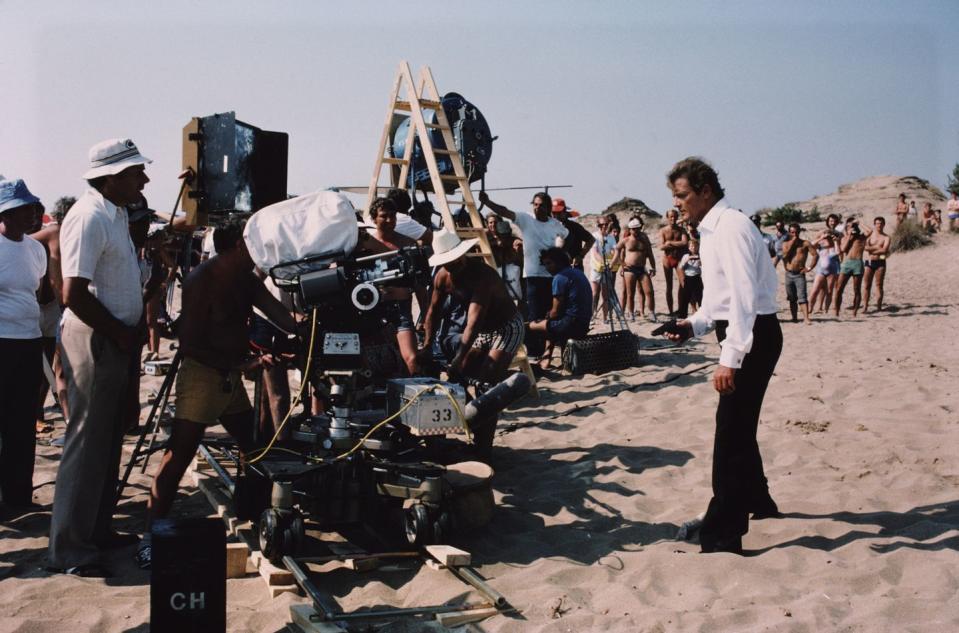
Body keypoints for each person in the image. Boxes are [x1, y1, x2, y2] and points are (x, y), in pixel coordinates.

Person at [138, 219, 297, 569]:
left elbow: (282, 316)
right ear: (237, 245)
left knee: (254, 447)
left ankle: (254, 514)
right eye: (251, 242)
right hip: (203, 376)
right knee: (179, 454)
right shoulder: (202, 280)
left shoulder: (246, 278)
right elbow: (191, 345)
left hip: (230, 376)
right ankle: (149, 537)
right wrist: (241, 365)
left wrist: (311, 319)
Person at [661, 157, 781, 555]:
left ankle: (724, 532)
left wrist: (731, 357)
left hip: (752, 336)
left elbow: (746, 300)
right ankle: (758, 501)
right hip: (744, 332)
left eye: (682, 196)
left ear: (705, 191)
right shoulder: (711, 229)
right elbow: (719, 301)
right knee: (739, 426)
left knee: (730, 431)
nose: (677, 204)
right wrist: (691, 325)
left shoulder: (731, 228)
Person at [47, 139, 151, 577]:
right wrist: (120, 334)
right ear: (110, 178)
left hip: (115, 337)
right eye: (135, 173)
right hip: (96, 337)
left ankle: (96, 530)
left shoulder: (116, 214)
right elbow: (74, 295)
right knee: (87, 440)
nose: (144, 179)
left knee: (107, 441)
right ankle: (70, 547)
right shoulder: (89, 217)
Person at [419, 228, 523, 384]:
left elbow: (474, 322)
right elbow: (434, 312)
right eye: (450, 263)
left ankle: (510, 379)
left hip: (506, 327)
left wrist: (459, 357)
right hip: (482, 331)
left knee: (487, 378)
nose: (456, 264)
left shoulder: (482, 276)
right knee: (460, 375)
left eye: (458, 259)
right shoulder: (442, 277)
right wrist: (427, 346)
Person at [0, 179, 47, 515]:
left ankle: (18, 496)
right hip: (1, 344)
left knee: (22, 422)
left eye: (33, 206)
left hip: (29, 343)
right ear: (7, 213)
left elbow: (38, 292)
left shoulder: (35, 249)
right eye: (25, 208)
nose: (33, 213)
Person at [479, 191, 567, 358]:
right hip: (532, 275)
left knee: (553, 314)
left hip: (551, 276)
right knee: (534, 315)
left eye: (541, 205)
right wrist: (488, 202)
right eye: (535, 204)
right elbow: (505, 212)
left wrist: (557, 249)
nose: (537, 208)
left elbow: (564, 236)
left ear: (548, 207)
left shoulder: (554, 224)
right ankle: (535, 353)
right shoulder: (526, 219)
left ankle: (549, 352)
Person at [363, 197, 421, 375]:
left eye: (393, 216)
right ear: (374, 219)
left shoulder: (408, 244)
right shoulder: (366, 245)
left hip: (401, 310)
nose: (390, 221)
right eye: (384, 216)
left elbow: (419, 283)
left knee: (411, 358)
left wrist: (425, 313)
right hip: (374, 310)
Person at [529, 247, 592, 369]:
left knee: (531, 326)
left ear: (559, 261)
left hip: (572, 324)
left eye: (549, 263)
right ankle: (547, 358)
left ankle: (545, 358)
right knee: (551, 323)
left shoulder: (559, 278)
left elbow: (555, 312)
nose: (547, 267)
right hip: (583, 322)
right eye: (545, 264)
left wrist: (545, 318)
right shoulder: (577, 272)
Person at [614, 218, 657, 320]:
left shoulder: (644, 238)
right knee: (630, 293)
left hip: (642, 268)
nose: (636, 231)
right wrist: (622, 263)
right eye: (633, 229)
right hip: (630, 269)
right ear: (630, 229)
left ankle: (651, 313)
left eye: (637, 228)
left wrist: (653, 267)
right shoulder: (626, 240)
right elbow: (616, 249)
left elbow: (650, 253)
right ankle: (631, 314)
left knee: (649, 291)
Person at [780, 223, 818, 324]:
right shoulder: (785, 244)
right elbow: (784, 256)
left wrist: (809, 268)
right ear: (789, 232)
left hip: (799, 273)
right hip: (789, 274)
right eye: (792, 232)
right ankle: (794, 317)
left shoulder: (805, 243)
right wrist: (792, 243)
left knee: (802, 296)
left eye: (796, 232)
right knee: (792, 297)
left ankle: (806, 318)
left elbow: (815, 255)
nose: (795, 234)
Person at [832, 219, 868, 318]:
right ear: (846, 229)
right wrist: (849, 236)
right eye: (849, 227)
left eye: (853, 227)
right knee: (839, 288)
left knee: (857, 289)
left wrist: (859, 222)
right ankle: (837, 310)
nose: (852, 229)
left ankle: (855, 311)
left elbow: (870, 231)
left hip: (858, 263)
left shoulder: (861, 238)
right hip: (846, 263)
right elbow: (843, 249)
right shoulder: (844, 238)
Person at [587, 214, 619, 322]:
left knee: (605, 295)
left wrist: (611, 263)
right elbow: (595, 252)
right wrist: (603, 262)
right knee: (594, 293)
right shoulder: (594, 236)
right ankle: (591, 315)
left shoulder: (611, 237)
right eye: (602, 225)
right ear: (598, 225)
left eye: (606, 224)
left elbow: (616, 251)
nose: (604, 226)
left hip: (606, 268)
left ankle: (605, 318)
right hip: (596, 268)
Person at [808, 214, 842, 314]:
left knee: (829, 290)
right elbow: (811, 245)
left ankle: (825, 310)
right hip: (821, 267)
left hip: (833, 267)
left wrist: (836, 241)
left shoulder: (839, 234)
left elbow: (839, 252)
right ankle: (810, 309)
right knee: (815, 290)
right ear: (827, 222)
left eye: (835, 221)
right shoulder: (821, 233)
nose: (832, 223)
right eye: (831, 221)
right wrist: (822, 238)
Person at [551, 197, 595, 271]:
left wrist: (580, 256)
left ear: (564, 212)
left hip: (574, 268)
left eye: (559, 213)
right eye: (554, 213)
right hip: (556, 268)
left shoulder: (574, 227)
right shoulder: (549, 227)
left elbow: (591, 239)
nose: (556, 216)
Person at [863, 216, 891, 313]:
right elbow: (865, 248)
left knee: (879, 285)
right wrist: (878, 247)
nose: (879, 225)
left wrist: (873, 249)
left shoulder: (886, 237)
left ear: (884, 224)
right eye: (877, 223)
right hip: (869, 261)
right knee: (867, 285)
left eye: (881, 223)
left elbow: (884, 250)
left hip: (880, 262)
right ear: (874, 224)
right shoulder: (870, 235)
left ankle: (879, 306)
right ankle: (865, 307)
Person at [677, 239, 703, 314]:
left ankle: (702, 312)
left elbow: (703, 267)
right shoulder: (686, 256)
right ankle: (683, 314)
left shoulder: (700, 255)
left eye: (695, 246)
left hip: (697, 277)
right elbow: (681, 267)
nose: (693, 248)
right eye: (691, 246)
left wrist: (700, 262)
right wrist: (687, 260)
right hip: (688, 277)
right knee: (686, 298)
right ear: (688, 247)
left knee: (700, 296)